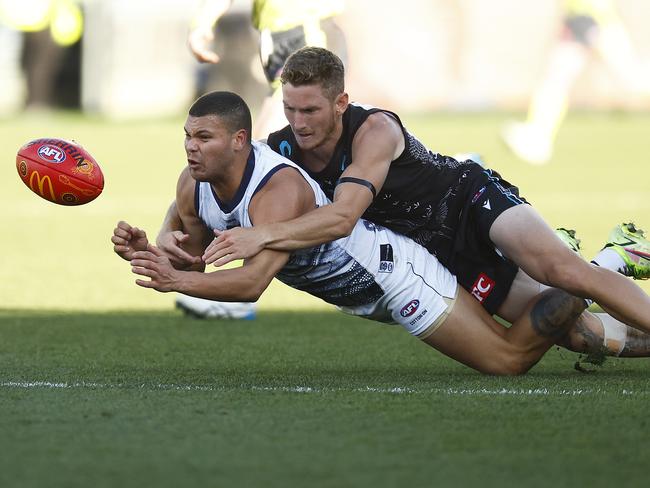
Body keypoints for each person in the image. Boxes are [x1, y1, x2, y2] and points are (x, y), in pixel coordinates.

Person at [183, 47, 650, 358]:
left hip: (469, 201)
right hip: (440, 253)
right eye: (290, 108)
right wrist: (172, 233)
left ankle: (581, 261)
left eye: (311, 110)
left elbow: (344, 217)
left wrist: (261, 234)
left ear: (341, 102)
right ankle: (615, 257)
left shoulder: (374, 131)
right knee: (572, 332)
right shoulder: (282, 148)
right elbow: (226, 178)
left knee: (562, 272)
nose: (299, 122)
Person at [112, 90, 599, 375]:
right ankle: (591, 273)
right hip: (363, 294)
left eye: (203, 138)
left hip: (396, 274)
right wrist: (151, 252)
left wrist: (176, 283)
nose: (190, 148)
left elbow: (249, 284)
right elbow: (196, 260)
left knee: (507, 360)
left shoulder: (275, 190)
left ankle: (594, 271)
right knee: (586, 337)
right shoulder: (191, 185)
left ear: (239, 141)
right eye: (187, 137)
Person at [502, 0, 650, 165]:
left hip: (596, 20)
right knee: (555, 80)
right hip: (579, 20)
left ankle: (538, 137)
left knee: (632, 81)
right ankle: (538, 136)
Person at [188, 0, 346, 140]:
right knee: (267, 146)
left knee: (265, 146)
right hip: (278, 34)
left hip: (307, 27)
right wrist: (203, 23)